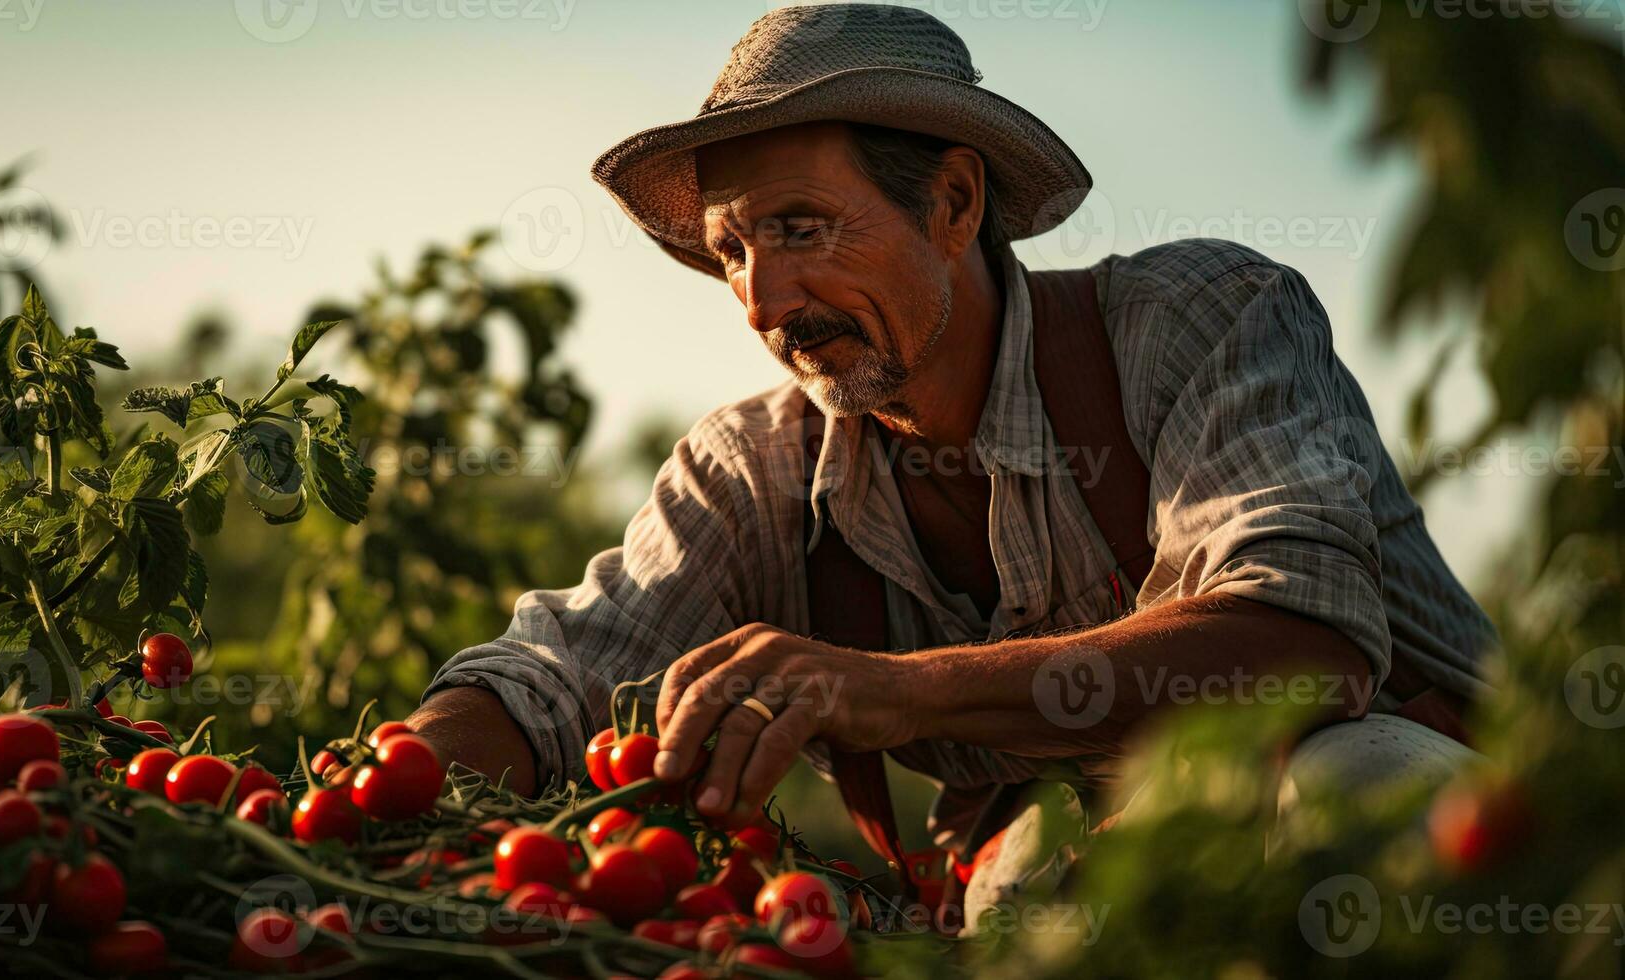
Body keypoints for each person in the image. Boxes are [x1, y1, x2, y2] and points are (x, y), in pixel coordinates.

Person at [406, 3, 1493, 917]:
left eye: (800, 227)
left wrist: (891, 689)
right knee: (1017, 891)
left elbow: (1300, 641)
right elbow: (553, 678)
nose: (763, 303)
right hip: (1107, 858)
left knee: (1356, 791)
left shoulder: (1193, 325)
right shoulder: (752, 473)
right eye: (732, 250)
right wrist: (383, 792)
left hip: (1437, 800)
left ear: (954, 203)